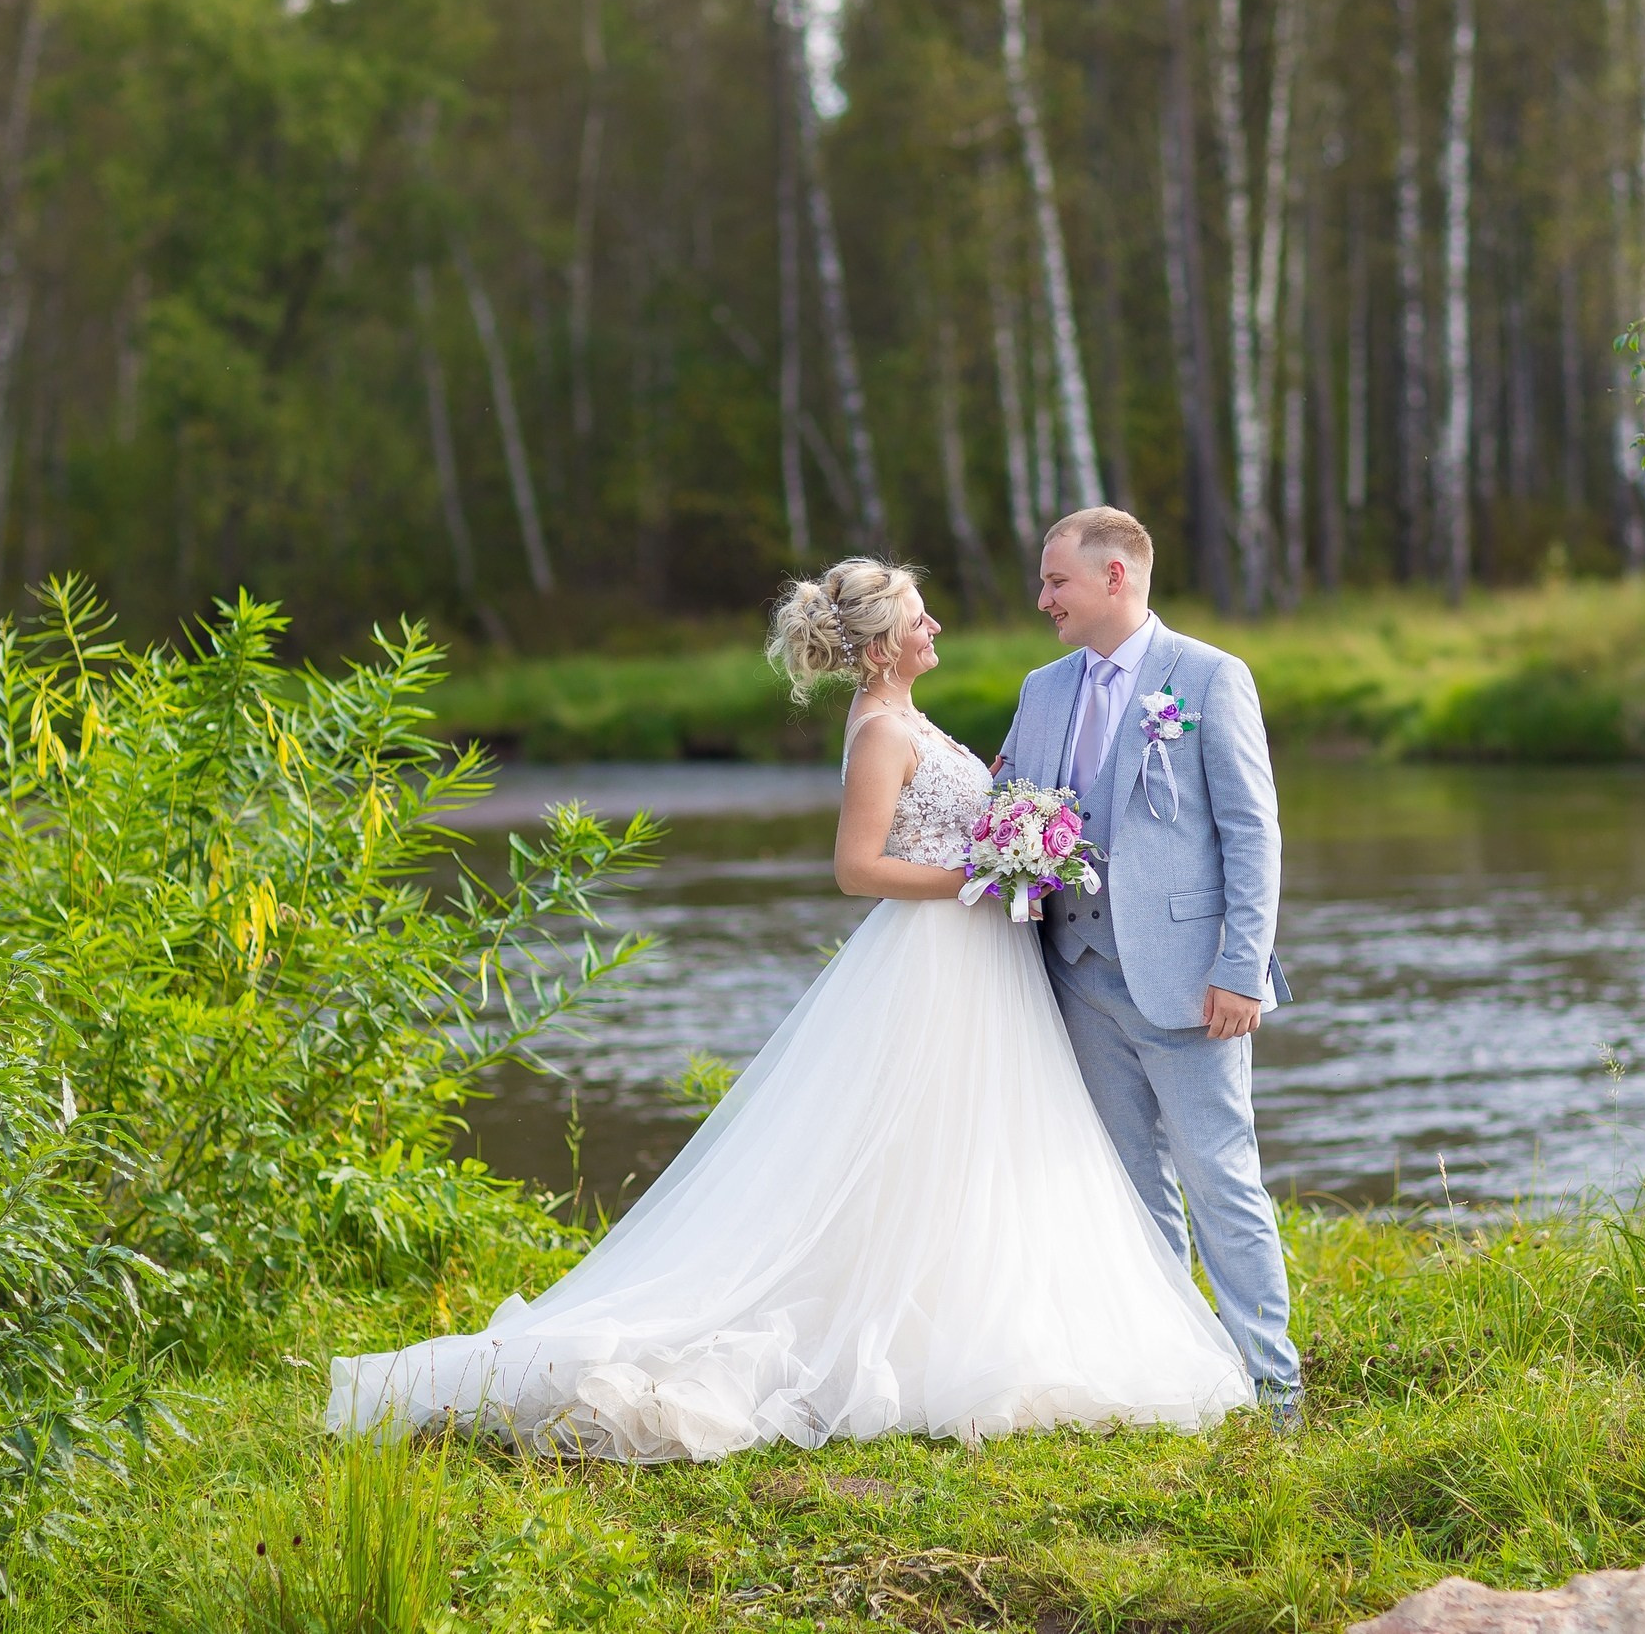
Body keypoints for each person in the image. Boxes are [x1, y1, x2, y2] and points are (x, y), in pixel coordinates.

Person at [325, 558, 1252, 1463]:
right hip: (938, 955)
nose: (935, 628)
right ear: (885, 641)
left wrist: (1012, 834)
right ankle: (927, 1335)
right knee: (926, 1146)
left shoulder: (905, 716)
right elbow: (857, 868)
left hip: (975, 956)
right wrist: (985, 872)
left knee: (967, 1149)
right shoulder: (882, 731)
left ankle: (975, 1309)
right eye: (921, 617)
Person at [994, 508, 1303, 1430]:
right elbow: (1015, 803)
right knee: (1129, 1185)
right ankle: (1181, 1378)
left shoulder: (1209, 676)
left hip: (1189, 978)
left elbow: (1253, 831)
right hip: (1074, 969)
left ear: (1117, 575)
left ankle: (1273, 1386)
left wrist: (1241, 967)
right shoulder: (1042, 688)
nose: (1042, 597)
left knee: (1221, 1177)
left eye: (1056, 581)